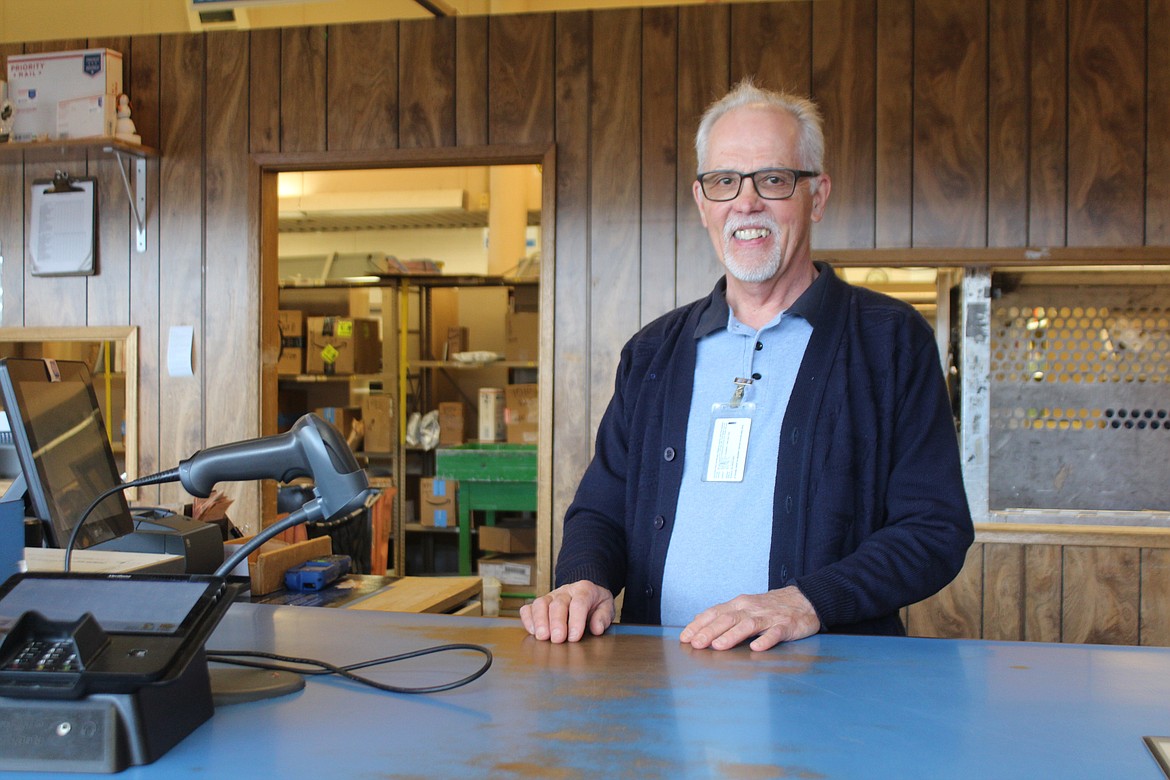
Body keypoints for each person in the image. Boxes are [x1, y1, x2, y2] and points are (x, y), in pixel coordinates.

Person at [520, 80, 974, 651]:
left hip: (826, 689)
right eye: (724, 181)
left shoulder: (890, 342)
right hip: (661, 685)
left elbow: (934, 530)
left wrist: (805, 602)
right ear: (702, 201)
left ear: (818, 195)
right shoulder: (653, 352)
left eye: (774, 179)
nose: (746, 201)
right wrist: (585, 579)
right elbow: (599, 510)